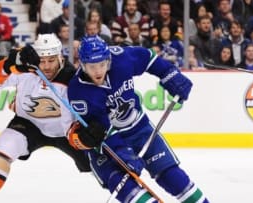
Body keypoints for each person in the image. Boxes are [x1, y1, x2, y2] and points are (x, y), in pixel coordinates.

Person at [66, 35, 209, 203]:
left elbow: (148, 58)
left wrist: (168, 74)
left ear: (108, 60)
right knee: (126, 189)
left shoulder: (121, 58)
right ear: (82, 65)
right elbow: (101, 130)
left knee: (173, 177)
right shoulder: (78, 92)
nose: (98, 71)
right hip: (105, 147)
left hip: (140, 130)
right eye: (92, 66)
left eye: (102, 65)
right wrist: (121, 153)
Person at [0, 33, 91, 203]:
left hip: (66, 131)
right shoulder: (25, 68)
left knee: (96, 163)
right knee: (4, 146)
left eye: (51, 60)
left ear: (60, 57)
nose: (46, 66)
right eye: (42, 61)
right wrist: (8, 65)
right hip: (28, 124)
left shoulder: (73, 78)